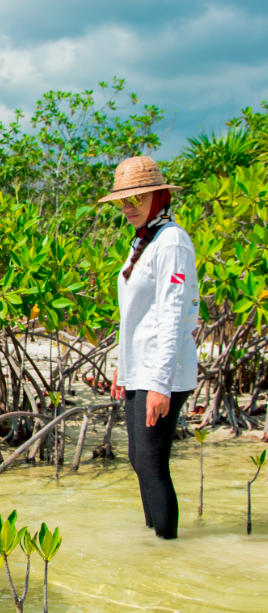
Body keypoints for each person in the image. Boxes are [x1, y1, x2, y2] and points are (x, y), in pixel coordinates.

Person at [101, 156, 199, 540]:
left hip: (164, 373)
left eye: (136, 199)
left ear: (158, 195)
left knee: (152, 463)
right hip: (139, 369)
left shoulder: (172, 241)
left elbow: (172, 314)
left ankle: (167, 551)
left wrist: (160, 383)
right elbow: (136, 315)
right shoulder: (144, 240)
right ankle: (153, 543)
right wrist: (122, 370)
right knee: (138, 461)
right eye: (123, 201)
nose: (128, 208)